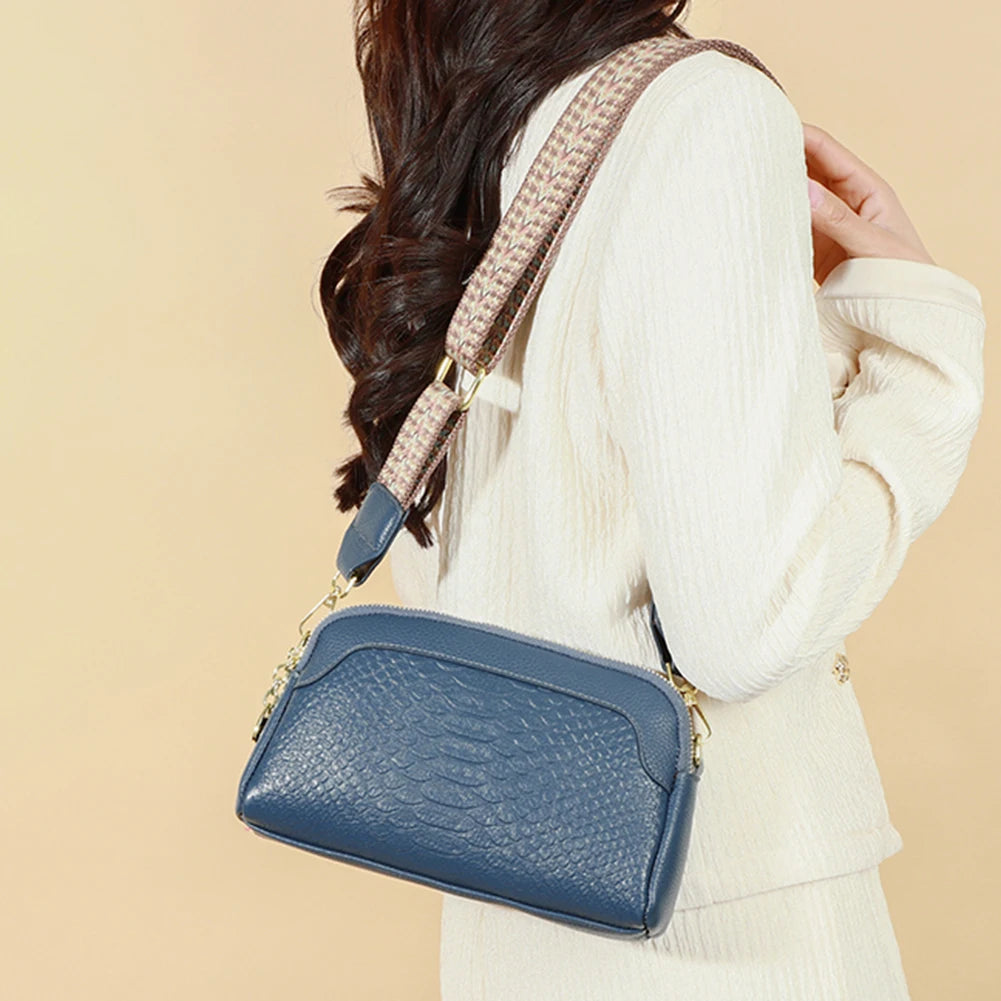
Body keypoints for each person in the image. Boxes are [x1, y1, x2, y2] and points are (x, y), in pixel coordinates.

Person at [321, 6, 985, 999]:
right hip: (728, 938)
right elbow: (743, 628)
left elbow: (545, 522)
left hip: (511, 926)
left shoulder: (471, 122)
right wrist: (919, 371)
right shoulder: (699, 113)